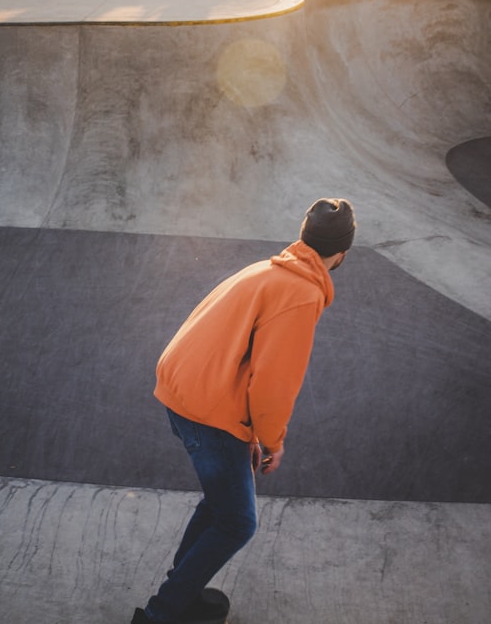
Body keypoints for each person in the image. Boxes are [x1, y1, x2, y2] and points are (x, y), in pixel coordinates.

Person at [132, 198, 356, 624]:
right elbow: (273, 385)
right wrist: (272, 441)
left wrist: (247, 435)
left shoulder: (268, 270)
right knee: (238, 522)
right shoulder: (302, 293)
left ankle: (184, 593)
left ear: (304, 235)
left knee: (221, 505)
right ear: (342, 253)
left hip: (184, 392)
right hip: (207, 409)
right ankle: (161, 614)